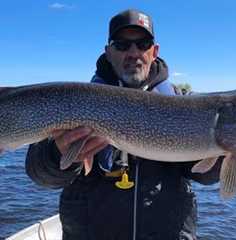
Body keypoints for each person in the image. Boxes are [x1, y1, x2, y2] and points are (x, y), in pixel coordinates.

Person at [26, 9, 223, 240]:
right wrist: (55, 154)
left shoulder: (183, 104)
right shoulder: (75, 102)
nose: (133, 52)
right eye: (122, 45)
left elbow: (205, 176)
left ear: (154, 51)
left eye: (143, 44)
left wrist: (223, 155)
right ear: (109, 52)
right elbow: (39, 174)